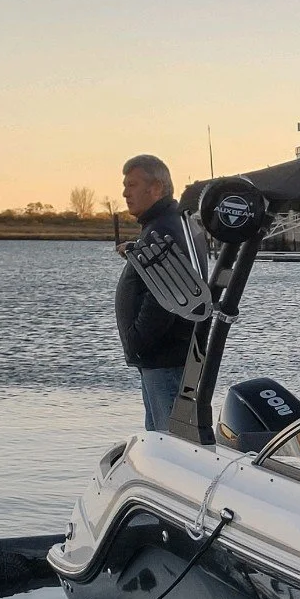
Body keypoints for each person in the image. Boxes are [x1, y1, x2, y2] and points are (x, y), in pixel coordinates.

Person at [116, 155, 205, 429]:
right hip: (166, 358)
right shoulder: (169, 225)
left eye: (132, 185)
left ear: (156, 188)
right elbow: (169, 277)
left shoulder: (163, 231)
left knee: (170, 447)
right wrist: (136, 253)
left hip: (164, 361)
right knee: (165, 442)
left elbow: (165, 299)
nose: (125, 192)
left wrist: (137, 342)